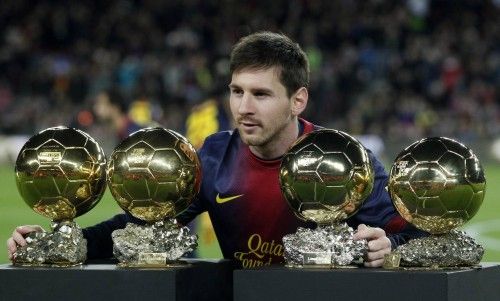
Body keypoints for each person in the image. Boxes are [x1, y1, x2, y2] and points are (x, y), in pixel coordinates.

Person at [7, 31, 424, 268]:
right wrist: (59, 241)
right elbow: (136, 228)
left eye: (261, 94)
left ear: (298, 100)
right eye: (236, 91)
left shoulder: (344, 161)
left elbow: (420, 232)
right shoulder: (214, 156)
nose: (243, 108)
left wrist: (388, 249)